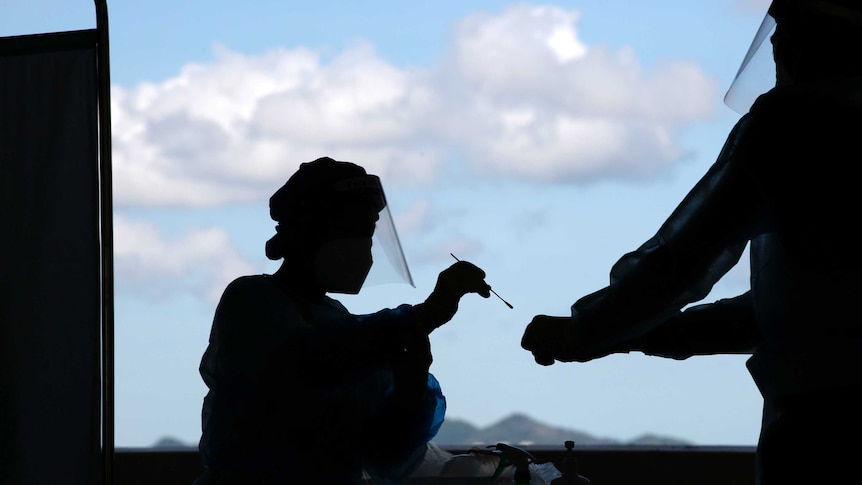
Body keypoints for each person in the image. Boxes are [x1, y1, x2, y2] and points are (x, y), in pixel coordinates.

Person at [520, 1, 862, 484]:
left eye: (784, 30)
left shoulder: (791, 122)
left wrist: (587, 330)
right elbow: (793, 312)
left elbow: (681, 263)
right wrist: (638, 334)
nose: (773, 44)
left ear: (813, 39)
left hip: (822, 433)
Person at [194, 156, 492, 484]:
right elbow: (309, 361)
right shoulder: (251, 300)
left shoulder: (336, 318)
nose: (365, 247)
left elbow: (384, 455)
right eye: (353, 230)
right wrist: (424, 316)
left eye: (369, 232)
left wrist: (410, 389)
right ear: (309, 231)